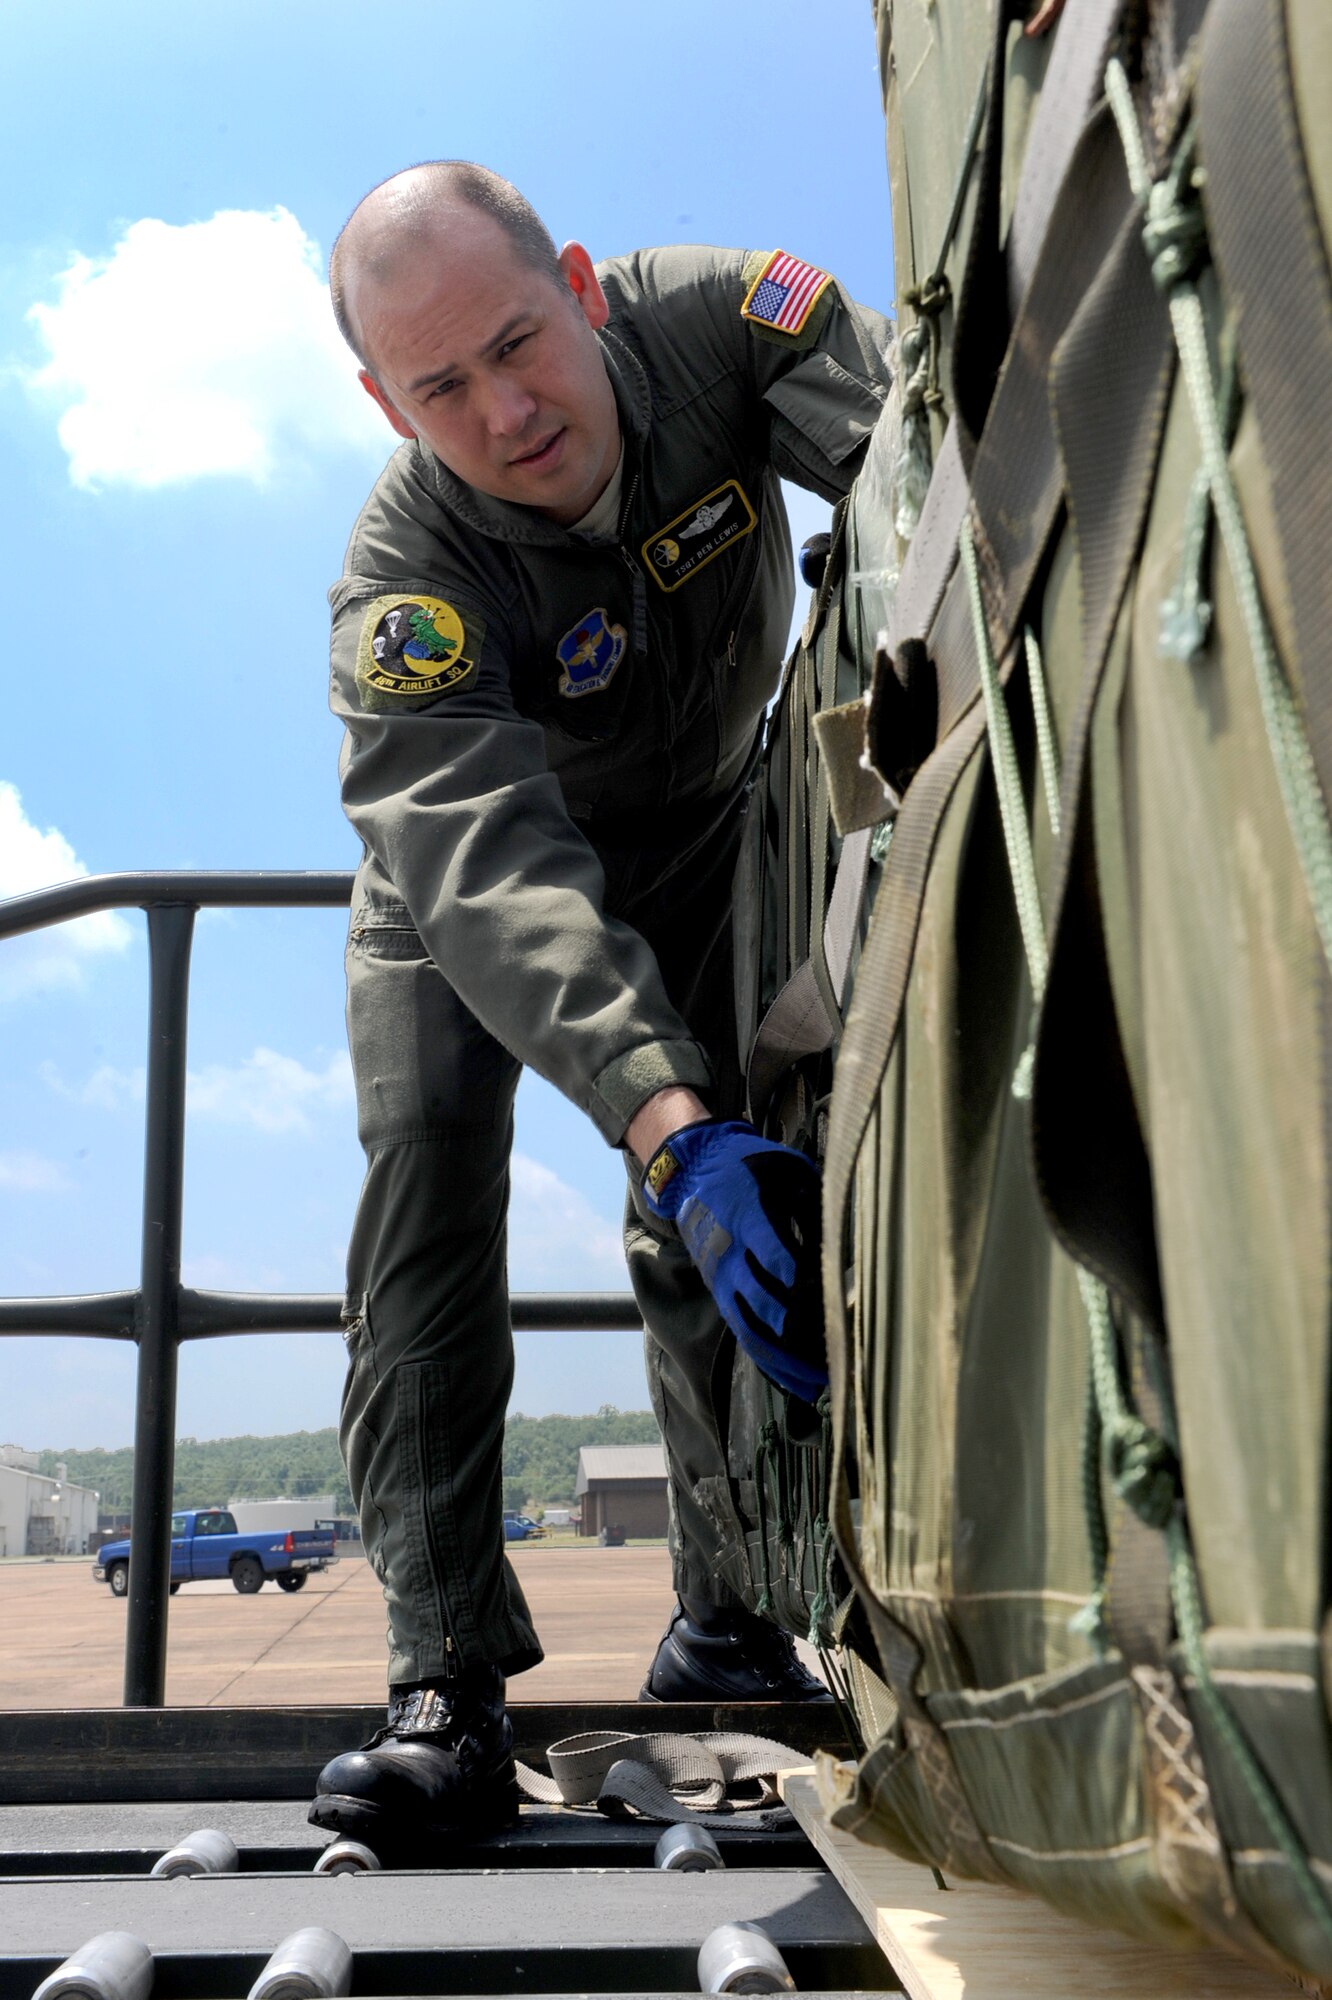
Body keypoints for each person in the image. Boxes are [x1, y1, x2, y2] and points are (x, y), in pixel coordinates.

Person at [309, 162, 891, 1855]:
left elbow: (932, 484)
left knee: (735, 1199)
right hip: (467, 890)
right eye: (440, 389)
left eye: (516, 344)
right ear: (382, 403)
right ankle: (446, 1689)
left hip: (713, 825)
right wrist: (662, 1115)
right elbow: (485, 862)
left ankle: (729, 1614)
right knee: (424, 1192)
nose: (505, 411)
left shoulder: (732, 321)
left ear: (580, 281)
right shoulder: (401, 572)